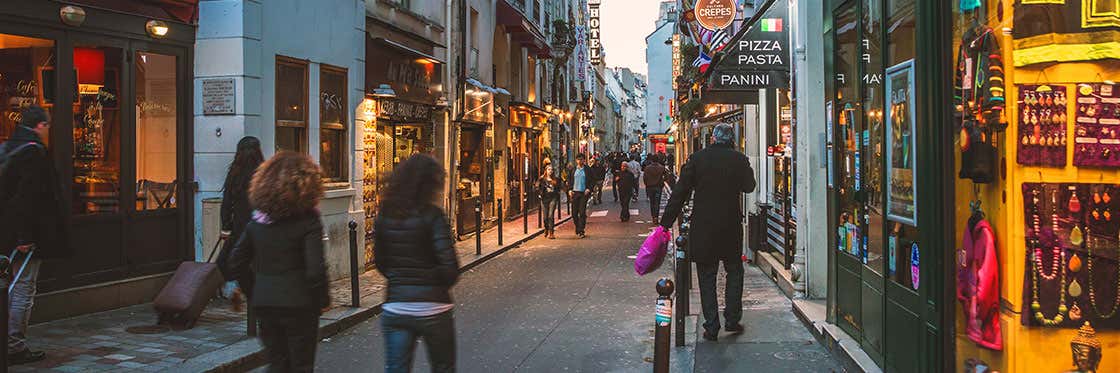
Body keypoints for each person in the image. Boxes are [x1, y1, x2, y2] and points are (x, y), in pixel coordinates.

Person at [227, 152, 330, 372]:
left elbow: (236, 260)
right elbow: (315, 270)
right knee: (300, 365)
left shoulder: (258, 222)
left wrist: (254, 291)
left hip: (265, 304)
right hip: (300, 305)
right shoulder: (308, 220)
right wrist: (322, 299)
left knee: (277, 363)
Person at [659, 123, 756, 342]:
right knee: (734, 271)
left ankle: (711, 326)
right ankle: (732, 319)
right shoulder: (739, 159)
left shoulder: (697, 159)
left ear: (712, 138)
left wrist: (665, 223)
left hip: (704, 226)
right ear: (731, 139)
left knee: (706, 275)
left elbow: (680, 192)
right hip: (730, 225)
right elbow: (749, 186)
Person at [374, 154, 459, 373]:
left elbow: (381, 262)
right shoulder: (433, 216)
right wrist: (431, 283)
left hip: (396, 305)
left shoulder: (385, 214)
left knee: (396, 368)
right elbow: (450, 268)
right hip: (434, 306)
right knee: (443, 368)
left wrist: (401, 279)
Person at [0, 106, 68, 365]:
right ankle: (14, 346)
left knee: (7, 287)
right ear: (40, 126)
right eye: (48, 126)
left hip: (5, 232)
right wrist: (25, 236)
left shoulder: (8, 147)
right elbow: (27, 199)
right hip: (22, 236)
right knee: (23, 289)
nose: (48, 131)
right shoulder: (33, 151)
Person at [218, 136, 264, 312]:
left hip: (240, 228)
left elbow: (226, 203)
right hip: (260, 228)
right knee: (255, 266)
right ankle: (251, 295)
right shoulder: (263, 174)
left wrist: (226, 226)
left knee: (228, 262)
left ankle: (244, 290)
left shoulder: (234, 173)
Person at [566, 153, 592, 238]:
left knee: (582, 212)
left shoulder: (587, 170)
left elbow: (592, 180)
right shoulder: (573, 169)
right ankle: (578, 227)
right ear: (576, 160)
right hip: (575, 193)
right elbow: (569, 180)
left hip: (583, 193)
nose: (580, 161)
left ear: (584, 160)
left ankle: (581, 230)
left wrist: (588, 188)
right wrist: (569, 189)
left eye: (581, 159)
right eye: (578, 159)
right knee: (574, 213)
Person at [537, 163, 562, 239]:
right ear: (546, 171)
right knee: (545, 217)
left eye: (551, 170)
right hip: (544, 199)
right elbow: (537, 186)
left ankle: (551, 232)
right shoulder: (542, 179)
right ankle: (546, 229)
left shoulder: (556, 179)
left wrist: (558, 194)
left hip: (553, 198)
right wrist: (540, 193)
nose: (550, 171)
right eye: (549, 169)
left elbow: (559, 188)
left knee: (550, 215)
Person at [642, 158, 670, 223]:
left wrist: (647, 184)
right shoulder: (662, 167)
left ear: (652, 160)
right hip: (658, 187)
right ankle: (656, 217)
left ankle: (653, 216)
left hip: (650, 187)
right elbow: (666, 176)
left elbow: (644, 177)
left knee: (652, 202)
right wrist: (663, 182)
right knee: (657, 203)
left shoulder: (647, 168)